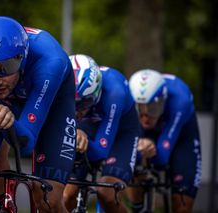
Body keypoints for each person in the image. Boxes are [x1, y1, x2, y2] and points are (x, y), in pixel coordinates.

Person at [0, 16, 76, 213]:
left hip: (52, 103)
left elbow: (26, 144)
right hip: (10, 97)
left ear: (23, 57)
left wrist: (9, 120)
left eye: (8, 67)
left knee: (49, 201)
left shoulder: (50, 63)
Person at [63, 54, 140, 213]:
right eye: (72, 103)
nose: (77, 111)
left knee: (107, 195)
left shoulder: (114, 93)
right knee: (66, 195)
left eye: (84, 103)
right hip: (86, 127)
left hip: (121, 133)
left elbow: (99, 152)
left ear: (97, 92)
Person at [127, 69, 202, 213]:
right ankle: (137, 208)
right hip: (148, 132)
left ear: (163, 100)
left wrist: (151, 148)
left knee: (181, 205)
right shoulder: (130, 100)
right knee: (133, 159)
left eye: (153, 109)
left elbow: (161, 158)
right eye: (140, 109)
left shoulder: (180, 100)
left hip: (182, 136)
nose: (146, 116)